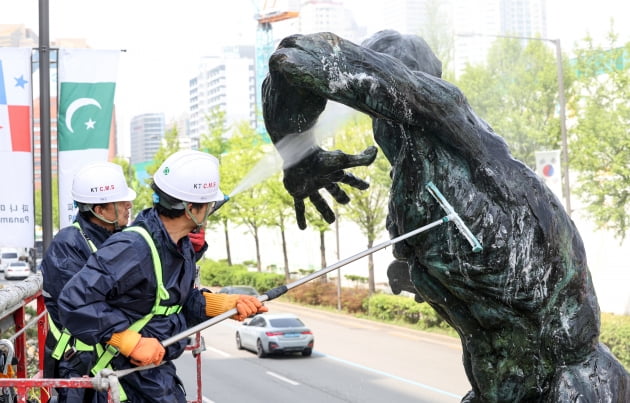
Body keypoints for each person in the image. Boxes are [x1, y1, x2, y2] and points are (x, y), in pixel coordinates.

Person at [262, 31, 629, 401]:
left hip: (573, 385)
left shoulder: (449, 119)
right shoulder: (414, 180)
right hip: (498, 389)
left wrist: (300, 153)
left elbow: (295, 58)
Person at [57, 150, 268, 402]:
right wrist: (126, 340)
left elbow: (170, 303)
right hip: (121, 377)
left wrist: (222, 304)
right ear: (191, 209)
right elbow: (74, 300)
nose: (211, 210)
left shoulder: (178, 245)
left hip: (152, 374)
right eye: (209, 205)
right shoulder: (132, 248)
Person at [41, 161, 136, 403]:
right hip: (78, 365)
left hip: (109, 357)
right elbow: (79, 308)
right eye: (121, 202)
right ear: (99, 210)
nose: (129, 206)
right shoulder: (69, 244)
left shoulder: (120, 238)